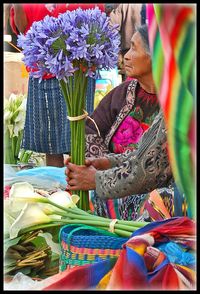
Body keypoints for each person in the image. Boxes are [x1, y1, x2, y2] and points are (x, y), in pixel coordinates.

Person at [66, 25, 186, 221]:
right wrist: (105, 163)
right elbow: (143, 155)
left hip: (173, 193)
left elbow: (146, 168)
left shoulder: (179, 101)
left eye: (134, 48)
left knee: (153, 201)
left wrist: (96, 179)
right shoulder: (124, 93)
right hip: (130, 176)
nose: (126, 56)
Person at [10, 3, 105, 167]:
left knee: (78, 137)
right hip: (43, 68)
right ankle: (57, 190)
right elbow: (22, 27)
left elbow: (97, 20)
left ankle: (77, 187)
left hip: (78, 67)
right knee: (50, 141)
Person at [109, 4, 144, 81]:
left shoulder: (121, 6)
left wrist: (116, 53)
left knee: (128, 84)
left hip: (127, 52)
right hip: (147, 53)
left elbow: (111, 30)